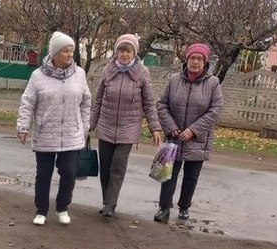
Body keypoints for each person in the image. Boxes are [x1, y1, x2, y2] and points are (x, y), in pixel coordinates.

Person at [17, 31, 91, 226]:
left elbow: (86, 102)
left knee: (68, 171)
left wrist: (84, 126)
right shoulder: (38, 76)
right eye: (66, 51)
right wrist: (23, 127)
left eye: (72, 51)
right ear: (55, 54)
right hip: (45, 133)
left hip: (72, 134)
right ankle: (41, 210)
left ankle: (62, 207)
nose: (70, 55)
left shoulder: (80, 74)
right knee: (44, 174)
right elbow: (27, 103)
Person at [88, 34, 163, 218]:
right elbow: (98, 100)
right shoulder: (108, 70)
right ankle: (107, 200)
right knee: (105, 167)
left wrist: (155, 127)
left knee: (117, 166)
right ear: (117, 52)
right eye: (121, 50)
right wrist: (91, 123)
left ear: (134, 52)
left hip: (128, 128)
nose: (124, 54)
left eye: (128, 51)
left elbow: (149, 103)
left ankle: (110, 204)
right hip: (106, 125)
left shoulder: (142, 73)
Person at [154, 43, 224, 223]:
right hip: (173, 136)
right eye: (192, 58)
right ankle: (163, 208)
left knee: (191, 176)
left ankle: (184, 207)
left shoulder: (213, 83)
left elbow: (215, 110)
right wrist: (171, 127)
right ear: (187, 60)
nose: (195, 62)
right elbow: (162, 105)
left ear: (205, 62)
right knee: (167, 173)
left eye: (199, 58)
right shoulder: (174, 79)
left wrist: (194, 130)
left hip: (198, 139)